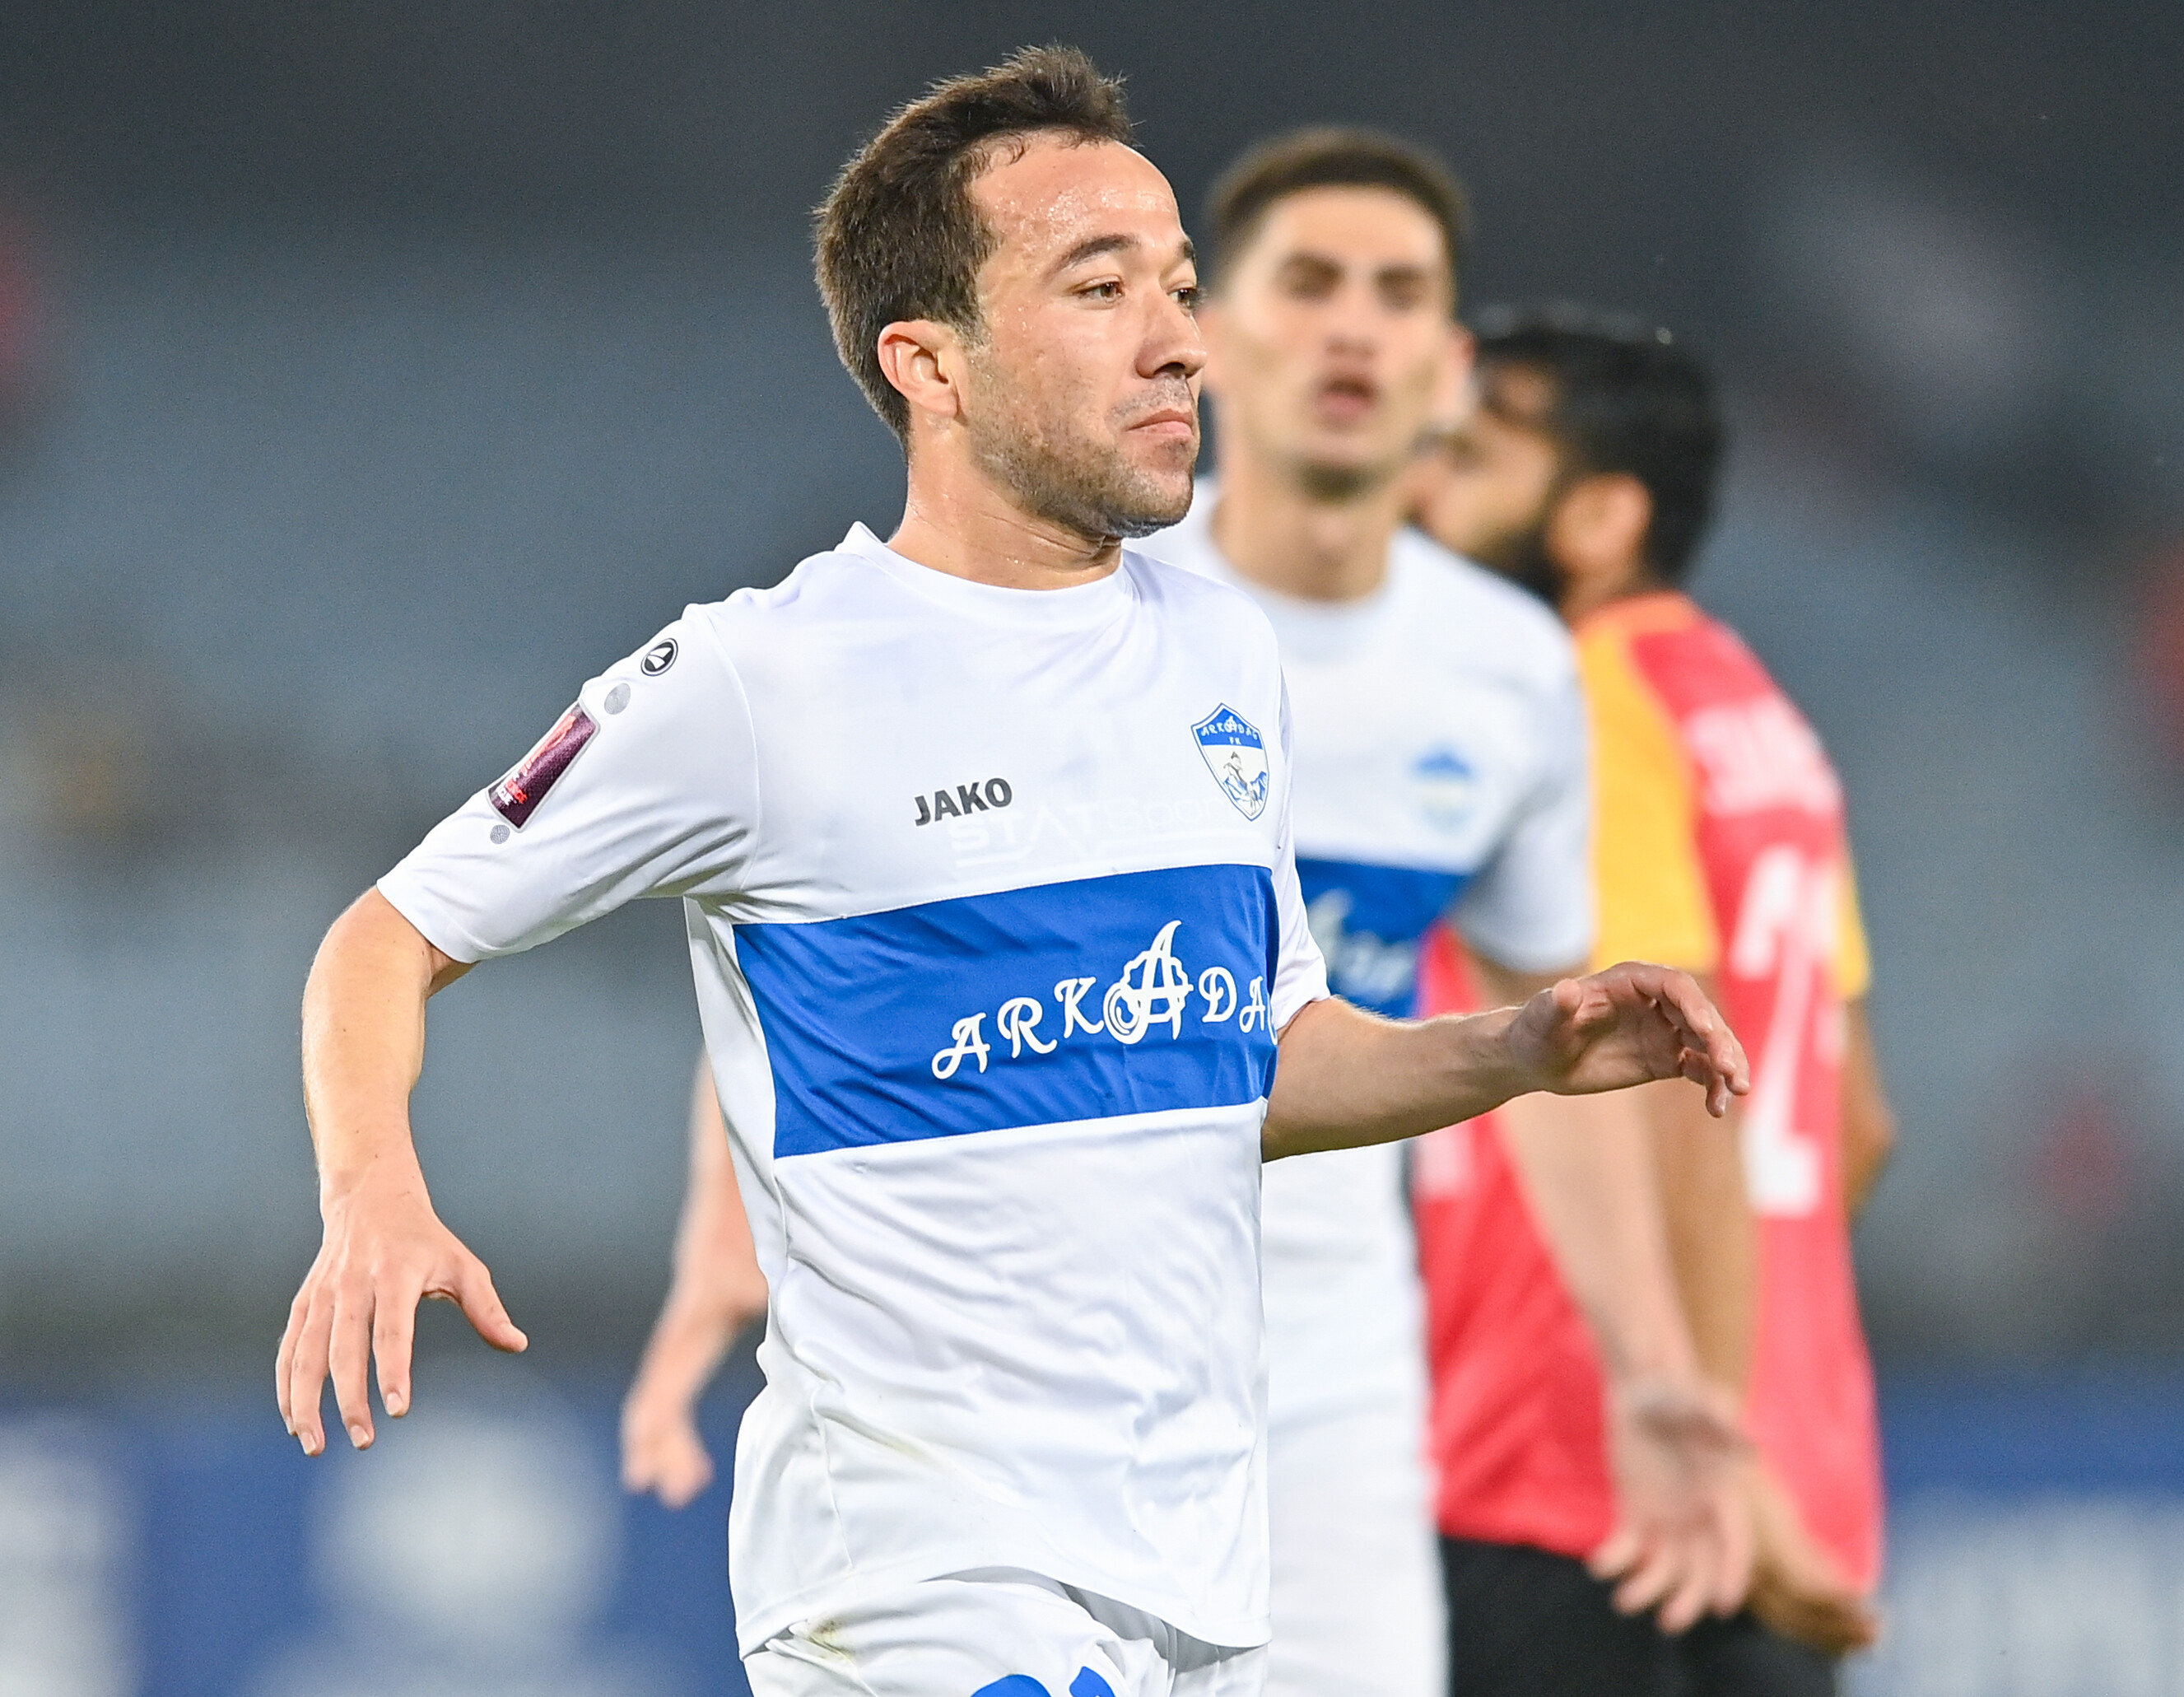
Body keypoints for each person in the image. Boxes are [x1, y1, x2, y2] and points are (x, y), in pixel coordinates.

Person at [272, 50, 1750, 1697]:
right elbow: (384, 936)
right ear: (930, 363)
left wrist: (1517, 1047)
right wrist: (372, 1192)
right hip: (927, 1570)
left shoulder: (1221, 652)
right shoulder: (762, 682)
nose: (1178, 339)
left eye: (1179, 286)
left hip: (1196, 1561)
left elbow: (1251, 1059)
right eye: (1100, 288)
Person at [1413, 309, 1898, 1697]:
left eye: (1475, 455)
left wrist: (1695, 1409)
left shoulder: (1581, 699)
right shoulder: (1753, 712)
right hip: (1783, 1460)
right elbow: (1858, 1124)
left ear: (1600, 516)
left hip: (1586, 1465)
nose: (1427, 485)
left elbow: (1676, 1069)